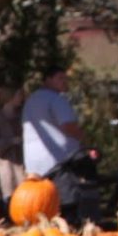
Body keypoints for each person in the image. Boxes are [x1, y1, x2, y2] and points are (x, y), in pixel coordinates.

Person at [22, 68, 90, 217]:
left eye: (66, 79)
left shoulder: (31, 100)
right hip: (59, 161)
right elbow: (68, 126)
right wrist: (85, 140)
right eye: (60, 79)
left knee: (42, 206)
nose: (65, 83)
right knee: (66, 203)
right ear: (48, 79)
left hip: (34, 164)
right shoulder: (56, 99)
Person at [0, 83, 28, 203]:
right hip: (5, 163)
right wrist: (11, 141)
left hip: (20, 161)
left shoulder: (21, 116)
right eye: (19, 95)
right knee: (8, 195)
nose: (21, 98)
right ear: (10, 97)